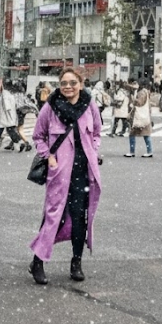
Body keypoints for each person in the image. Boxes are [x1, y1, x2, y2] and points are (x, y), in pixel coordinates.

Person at [29, 68, 102, 285]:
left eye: (72, 82)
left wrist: (93, 150)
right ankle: (38, 261)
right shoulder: (50, 107)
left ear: (81, 83)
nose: (68, 87)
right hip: (60, 171)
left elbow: (97, 132)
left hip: (83, 171)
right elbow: (38, 136)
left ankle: (76, 262)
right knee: (54, 216)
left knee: (80, 217)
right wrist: (49, 156)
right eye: (63, 83)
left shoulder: (90, 105)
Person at [0, 81, 30, 153]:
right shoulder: (11, 93)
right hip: (9, 116)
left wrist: (8, 113)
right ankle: (20, 142)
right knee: (10, 131)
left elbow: (7, 106)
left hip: (4, 116)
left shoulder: (5, 93)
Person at [126, 78, 154, 158]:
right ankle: (149, 151)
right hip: (143, 116)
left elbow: (139, 103)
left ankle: (133, 152)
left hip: (139, 117)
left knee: (133, 134)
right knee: (145, 134)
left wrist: (133, 99)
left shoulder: (142, 93)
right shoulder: (145, 92)